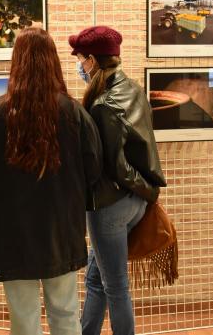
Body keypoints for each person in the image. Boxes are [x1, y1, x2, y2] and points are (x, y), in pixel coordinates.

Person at [0, 27, 103, 335]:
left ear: (17, 61)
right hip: (60, 228)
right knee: (66, 313)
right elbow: (93, 170)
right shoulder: (74, 113)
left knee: (23, 317)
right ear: (53, 61)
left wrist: (8, 185)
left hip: (11, 230)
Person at [68, 26, 167, 335]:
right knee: (97, 280)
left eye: (81, 58)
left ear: (94, 61)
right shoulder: (134, 88)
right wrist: (148, 192)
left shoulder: (102, 106)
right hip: (134, 201)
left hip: (109, 205)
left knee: (116, 287)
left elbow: (116, 167)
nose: (79, 65)